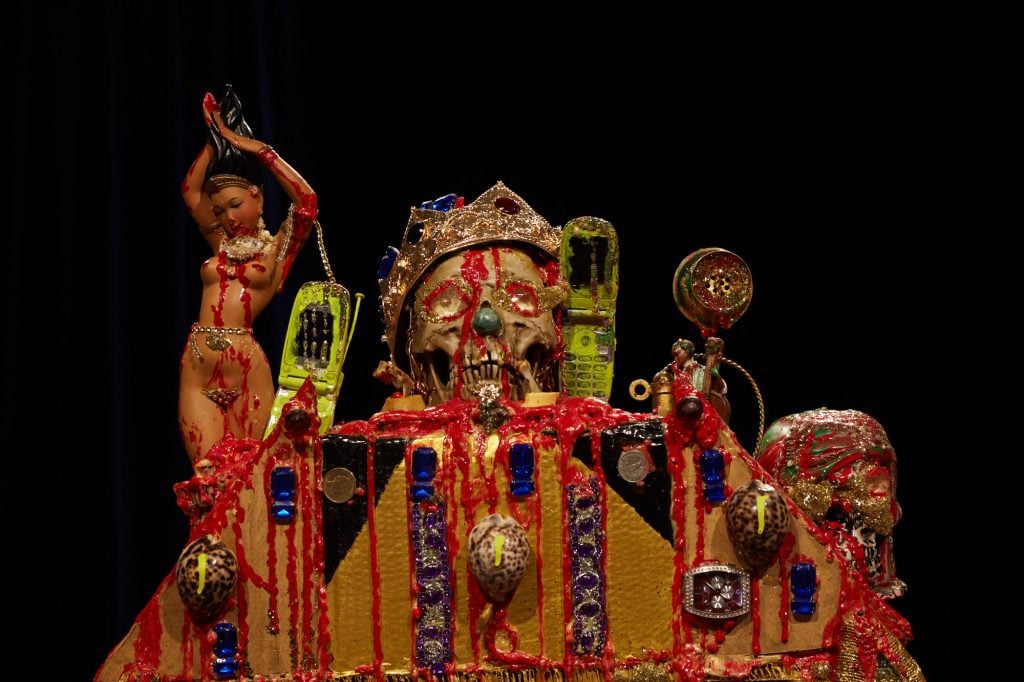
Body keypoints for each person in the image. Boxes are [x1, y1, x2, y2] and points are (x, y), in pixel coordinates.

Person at [178, 86, 317, 464]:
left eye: (236, 205)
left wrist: (255, 148)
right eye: (220, 211)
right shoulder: (220, 243)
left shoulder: (277, 250)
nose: (228, 218)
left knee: (250, 474)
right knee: (207, 478)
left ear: (257, 196)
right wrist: (214, 136)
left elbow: (307, 203)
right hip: (199, 364)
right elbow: (190, 190)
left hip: (247, 369)